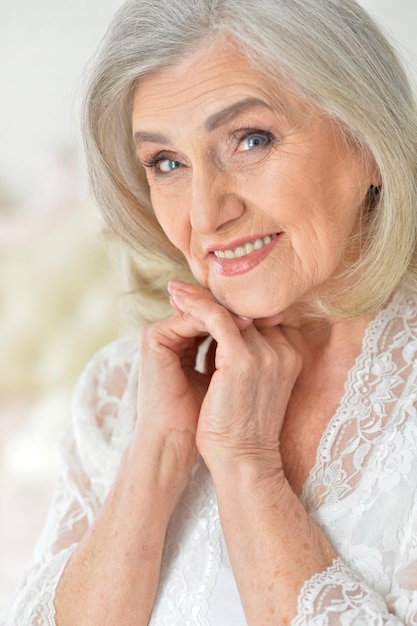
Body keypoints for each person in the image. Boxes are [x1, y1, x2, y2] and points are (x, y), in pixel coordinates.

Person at [3, 0, 417, 623]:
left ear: (367, 141)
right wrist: (159, 448)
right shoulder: (121, 391)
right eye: (166, 163)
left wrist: (247, 466)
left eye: (250, 140)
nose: (204, 214)